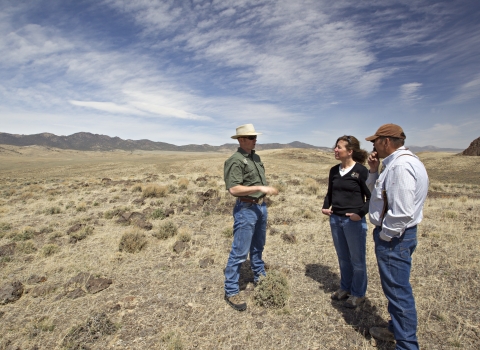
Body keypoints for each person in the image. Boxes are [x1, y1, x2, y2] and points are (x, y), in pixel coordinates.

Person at [365, 124, 428, 350]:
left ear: (386, 142)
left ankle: (407, 345)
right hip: (401, 236)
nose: (372, 145)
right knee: (395, 289)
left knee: (399, 294)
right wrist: (374, 170)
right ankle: (395, 329)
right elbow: (380, 197)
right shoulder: (399, 163)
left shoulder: (400, 167)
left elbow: (401, 212)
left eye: (375, 141)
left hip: (395, 238)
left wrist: (385, 235)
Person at [223, 124, 279, 311]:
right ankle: (231, 290)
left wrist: (262, 194)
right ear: (240, 140)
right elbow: (234, 189)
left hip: (260, 207)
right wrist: (260, 188)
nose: (255, 140)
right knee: (239, 251)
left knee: (258, 246)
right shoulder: (235, 160)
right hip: (246, 208)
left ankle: (259, 277)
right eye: (251, 137)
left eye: (255, 136)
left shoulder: (255, 157)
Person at [321, 135, 371, 308]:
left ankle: (358, 294)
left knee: (357, 260)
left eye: (339, 147)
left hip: (353, 222)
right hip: (335, 220)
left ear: (350, 151)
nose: (335, 149)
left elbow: (372, 198)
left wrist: (360, 213)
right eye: (335, 147)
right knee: (343, 258)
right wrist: (325, 206)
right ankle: (345, 288)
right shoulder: (334, 170)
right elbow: (330, 192)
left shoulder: (362, 171)